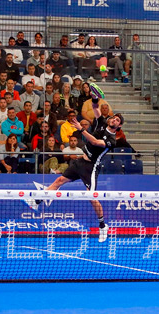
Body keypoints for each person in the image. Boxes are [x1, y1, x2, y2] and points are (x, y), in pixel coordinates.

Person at [32, 83, 122, 243]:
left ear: (119, 126)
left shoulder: (112, 140)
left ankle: (102, 226)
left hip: (91, 167)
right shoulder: (102, 122)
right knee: (59, 180)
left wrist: (81, 129)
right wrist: (94, 97)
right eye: (114, 118)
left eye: (116, 120)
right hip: (80, 162)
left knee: (92, 197)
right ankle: (38, 200)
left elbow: (94, 141)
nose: (113, 120)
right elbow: (96, 108)